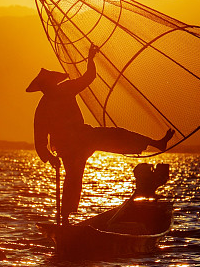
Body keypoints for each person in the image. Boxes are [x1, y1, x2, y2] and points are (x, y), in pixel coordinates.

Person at [26, 45, 174, 225]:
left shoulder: (67, 88)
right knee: (73, 178)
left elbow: (89, 77)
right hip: (68, 147)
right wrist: (50, 157)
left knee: (116, 135)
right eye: (46, 84)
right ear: (44, 87)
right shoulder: (43, 108)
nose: (49, 86)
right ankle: (65, 219)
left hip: (84, 136)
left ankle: (155, 143)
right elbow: (39, 139)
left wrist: (90, 59)